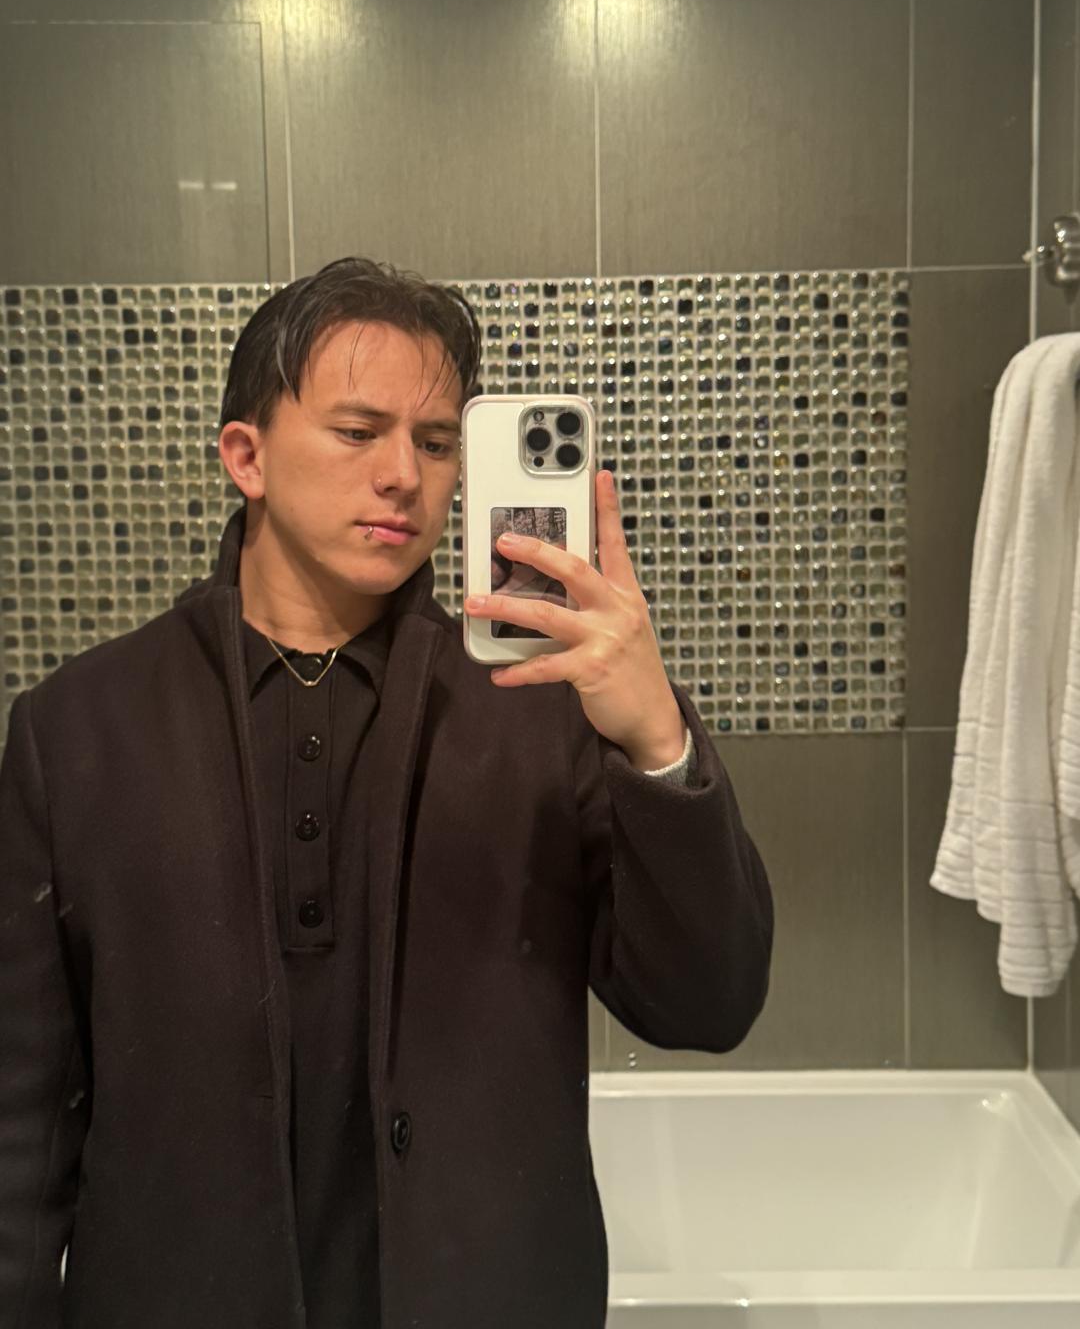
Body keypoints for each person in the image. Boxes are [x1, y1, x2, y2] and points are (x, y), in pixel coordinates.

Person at [0, 256, 774, 1329]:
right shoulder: (81, 728)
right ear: (246, 456)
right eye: (359, 432)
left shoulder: (542, 708)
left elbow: (710, 1005)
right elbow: (22, 1114)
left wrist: (654, 740)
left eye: (437, 442)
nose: (404, 474)